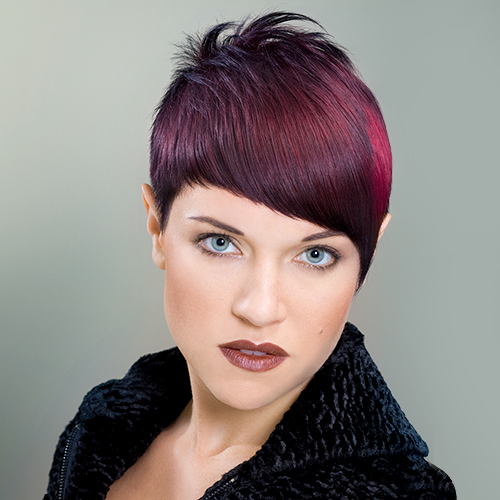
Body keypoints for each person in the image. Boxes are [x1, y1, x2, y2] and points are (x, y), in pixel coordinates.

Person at [43, 12, 456, 500]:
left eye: (316, 254)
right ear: (157, 227)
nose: (260, 309)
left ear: (370, 254)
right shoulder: (98, 428)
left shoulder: (401, 493)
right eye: (221, 242)